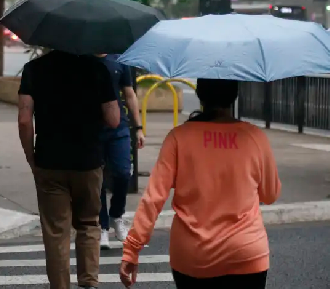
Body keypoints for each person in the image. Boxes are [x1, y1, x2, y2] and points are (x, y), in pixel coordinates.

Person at [119, 79, 281, 289]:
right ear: (234, 95)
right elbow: (270, 195)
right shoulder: (255, 137)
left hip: (192, 255)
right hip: (246, 252)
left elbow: (153, 198)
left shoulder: (178, 137)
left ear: (200, 96)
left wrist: (132, 249)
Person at [18, 50, 119, 289]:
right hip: (88, 161)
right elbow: (114, 118)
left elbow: (24, 120)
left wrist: (31, 158)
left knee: (56, 231)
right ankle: (89, 282)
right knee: (88, 223)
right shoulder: (97, 68)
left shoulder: (34, 69)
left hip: (49, 161)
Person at [94, 54, 145, 249]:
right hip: (94, 128)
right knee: (97, 178)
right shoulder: (86, 60)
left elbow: (129, 93)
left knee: (124, 173)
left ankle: (117, 215)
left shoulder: (120, 60)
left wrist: (138, 127)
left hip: (119, 127)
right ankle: (103, 226)